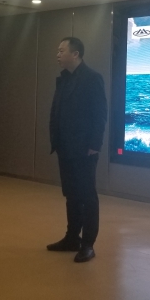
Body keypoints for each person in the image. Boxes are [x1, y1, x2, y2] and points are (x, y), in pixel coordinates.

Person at [48, 37, 108, 263]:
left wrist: (95, 145)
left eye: (61, 50)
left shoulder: (92, 78)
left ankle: (88, 244)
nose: (58, 54)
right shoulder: (64, 78)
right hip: (65, 147)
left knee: (87, 196)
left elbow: (99, 114)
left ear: (75, 54)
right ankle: (72, 237)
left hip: (84, 149)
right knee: (71, 194)